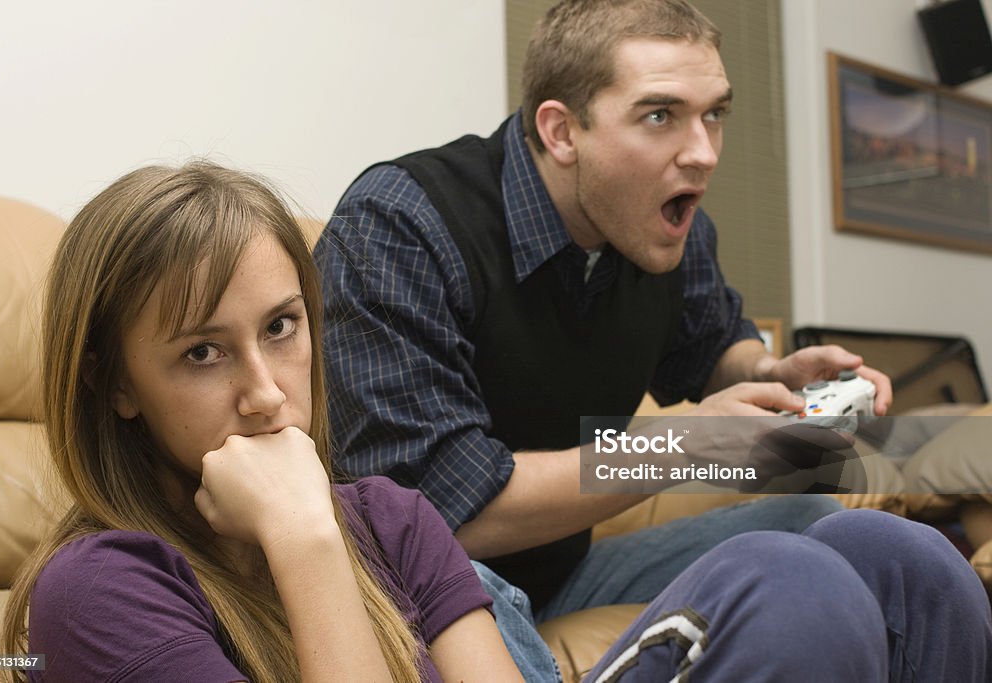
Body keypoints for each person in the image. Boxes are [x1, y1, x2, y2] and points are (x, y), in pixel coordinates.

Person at [311, 0, 949, 676]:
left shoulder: (666, 227)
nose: (703, 153)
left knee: (838, 527)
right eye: (660, 115)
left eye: (715, 114)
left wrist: (777, 373)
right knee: (465, 577)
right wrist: (680, 446)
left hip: (562, 565)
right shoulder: (401, 226)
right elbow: (444, 512)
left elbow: (710, 351)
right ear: (561, 131)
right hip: (424, 579)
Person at [0, 162, 523, 683]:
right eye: (203, 352)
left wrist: (607, 465)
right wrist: (304, 539)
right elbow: (476, 484)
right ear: (116, 383)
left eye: (281, 325)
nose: (268, 394)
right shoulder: (95, 592)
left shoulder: (394, 519)